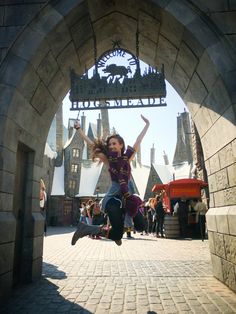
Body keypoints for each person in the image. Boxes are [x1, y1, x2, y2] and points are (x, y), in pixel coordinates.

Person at [71, 114, 150, 246]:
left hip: (128, 195)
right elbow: (92, 145)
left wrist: (147, 125)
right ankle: (88, 229)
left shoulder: (127, 158)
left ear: (121, 145)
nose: (111, 146)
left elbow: (138, 140)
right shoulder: (108, 160)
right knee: (116, 234)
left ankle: (112, 227)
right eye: (109, 144)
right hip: (114, 196)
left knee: (141, 226)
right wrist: (79, 130)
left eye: (114, 143)